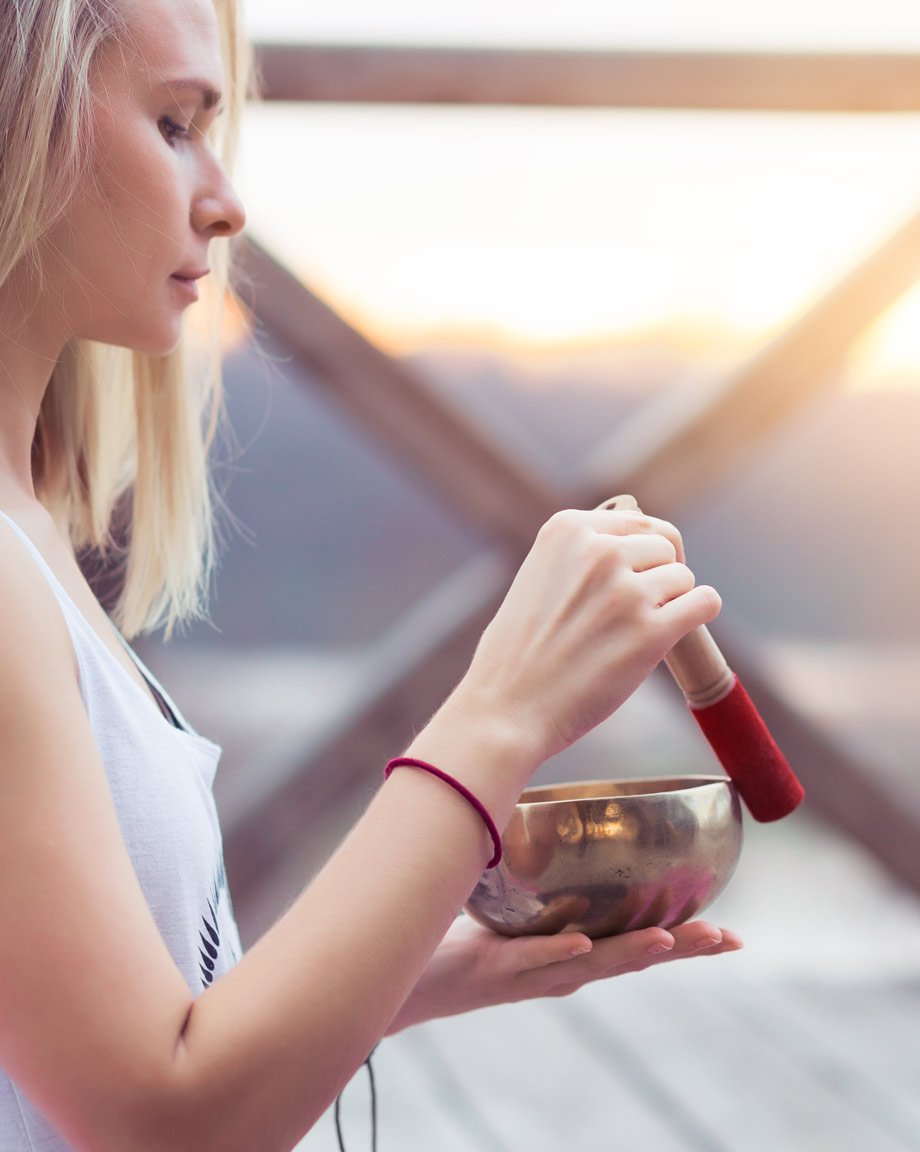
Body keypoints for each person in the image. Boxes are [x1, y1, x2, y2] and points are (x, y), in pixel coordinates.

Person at [0, 0, 742, 1148]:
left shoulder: (31, 535)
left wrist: (392, 978)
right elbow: (161, 1120)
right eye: (176, 123)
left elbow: (102, 1054)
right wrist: (500, 712)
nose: (226, 201)